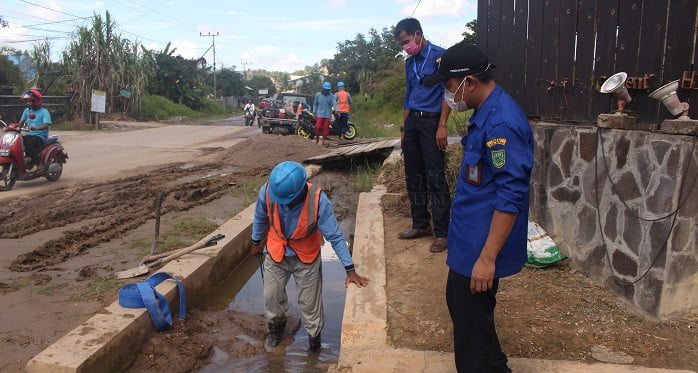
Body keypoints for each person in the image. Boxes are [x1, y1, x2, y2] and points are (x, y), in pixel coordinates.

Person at [423, 42, 533, 373]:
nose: (446, 95)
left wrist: (487, 260)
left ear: (469, 82)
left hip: (481, 248)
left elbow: (510, 196)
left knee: (473, 335)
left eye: (448, 86)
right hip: (468, 240)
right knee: (465, 312)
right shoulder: (484, 114)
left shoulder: (502, 124)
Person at [250, 161, 369, 352]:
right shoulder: (267, 192)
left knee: (309, 303)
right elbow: (260, 219)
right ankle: (276, 330)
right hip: (276, 250)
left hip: (306, 255)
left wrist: (350, 269)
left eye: (286, 200)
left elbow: (336, 237)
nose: (282, 204)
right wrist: (256, 242)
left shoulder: (318, 201)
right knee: (271, 296)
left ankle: (314, 343)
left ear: (300, 192)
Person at [393, 18, 451, 253]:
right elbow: (408, 96)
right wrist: (405, 129)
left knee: (435, 176)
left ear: (418, 34)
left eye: (406, 41)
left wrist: (442, 125)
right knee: (413, 174)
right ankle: (420, 224)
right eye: (402, 44)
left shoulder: (440, 57)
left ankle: (443, 233)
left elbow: (448, 91)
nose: (405, 46)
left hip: (431, 121)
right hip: (413, 122)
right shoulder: (410, 62)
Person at [16, 89, 51, 172]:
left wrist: (35, 128)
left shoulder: (44, 112)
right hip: (30, 135)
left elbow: (46, 125)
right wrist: (12, 127)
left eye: (30, 101)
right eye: (27, 101)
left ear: (37, 101)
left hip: (40, 136)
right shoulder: (27, 111)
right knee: (17, 141)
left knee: (29, 144)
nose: (28, 103)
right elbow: (20, 123)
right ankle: (24, 161)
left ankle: (39, 163)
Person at [312, 81, 337, 147]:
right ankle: (317, 138)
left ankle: (323, 141)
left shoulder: (331, 96)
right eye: (325, 89)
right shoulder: (318, 95)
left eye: (328, 90)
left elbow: (334, 104)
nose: (326, 91)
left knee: (326, 128)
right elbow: (315, 104)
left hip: (327, 114)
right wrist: (314, 113)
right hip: (319, 114)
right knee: (318, 127)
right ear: (322, 89)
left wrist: (337, 110)